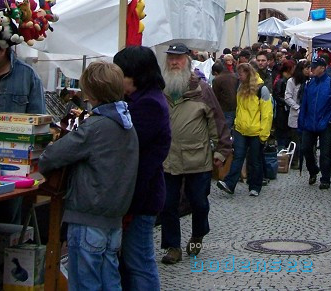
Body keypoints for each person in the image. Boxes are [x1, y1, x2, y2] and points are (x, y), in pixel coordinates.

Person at [39, 61, 138, 290]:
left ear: (91, 93)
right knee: (110, 281)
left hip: (88, 217)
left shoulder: (95, 127)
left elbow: (52, 156)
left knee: (86, 284)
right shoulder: (127, 125)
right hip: (113, 219)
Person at [159, 42, 232, 264]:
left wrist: (222, 150)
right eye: (170, 58)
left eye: (178, 58)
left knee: (199, 202)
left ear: (187, 61)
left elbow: (217, 121)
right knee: (168, 204)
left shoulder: (202, 90)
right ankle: (173, 246)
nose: (173, 62)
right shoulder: (161, 89)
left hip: (197, 158)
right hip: (169, 158)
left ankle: (198, 233)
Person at [112, 47, 171, 291]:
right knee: (131, 261)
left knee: (139, 262)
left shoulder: (149, 104)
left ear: (136, 74)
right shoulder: (141, 99)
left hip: (142, 197)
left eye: (121, 74)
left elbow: (129, 150)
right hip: (139, 196)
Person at [216, 62, 273, 197]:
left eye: (240, 74)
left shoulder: (261, 89)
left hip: (256, 131)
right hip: (240, 129)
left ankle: (255, 186)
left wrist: (264, 134)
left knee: (255, 160)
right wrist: (236, 124)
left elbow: (267, 114)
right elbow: (239, 108)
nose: (238, 76)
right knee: (238, 156)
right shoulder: (240, 87)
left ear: (247, 74)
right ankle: (230, 183)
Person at [298, 57, 331, 189]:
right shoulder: (309, 84)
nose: (311, 69)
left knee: (325, 153)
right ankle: (313, 170)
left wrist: (330, 120)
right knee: (305, 148)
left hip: (324, 123)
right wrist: (302, 123)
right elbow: (304, 105)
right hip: (309, 123)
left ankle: (325, 179)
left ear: (322, 68)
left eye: (314, 67)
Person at [285, 61, 309, 170]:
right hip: (296, 114)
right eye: (306, 68)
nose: (309, 70)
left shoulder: (310, 81)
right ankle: (294, 161)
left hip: (308, 115)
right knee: (295, 140)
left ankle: (308, 160)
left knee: (307, 140)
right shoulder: (292, 81)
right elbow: (288, 97)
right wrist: (297, 107)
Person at [211, 61, 237, 134]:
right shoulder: (234, 76)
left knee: (224, 131)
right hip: (236, 107)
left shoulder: (217, 80)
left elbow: (214, 96)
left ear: (216, 72)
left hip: (224, 108)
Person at [272, 60, 294, 144]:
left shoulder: (287, 80)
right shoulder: (281, 81)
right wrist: (287, 101)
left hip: (284, 112)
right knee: (283, 135)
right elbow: (277, 96)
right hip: (282, 113)